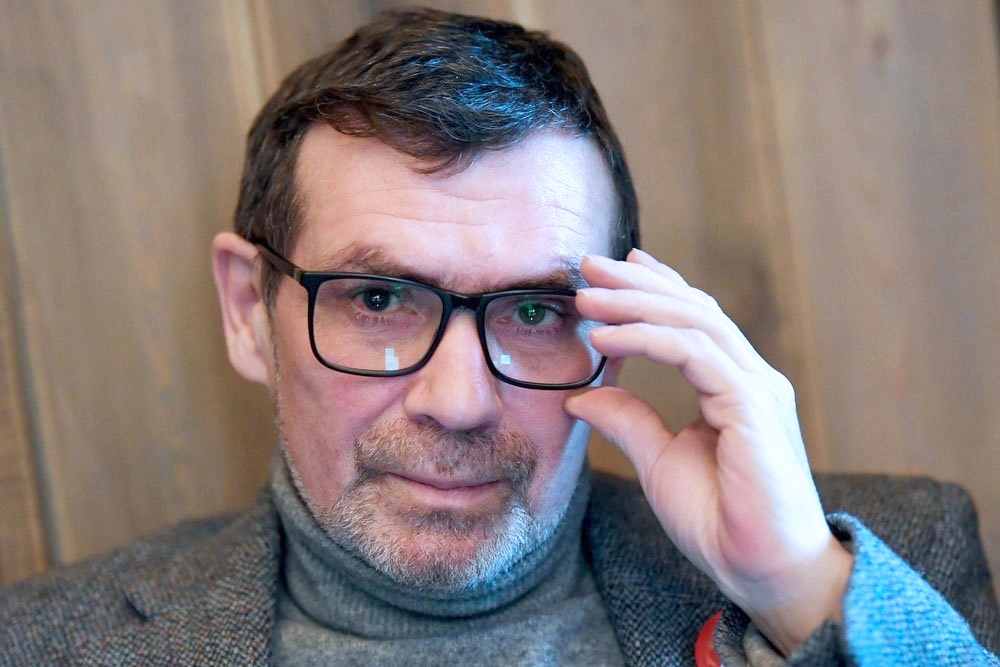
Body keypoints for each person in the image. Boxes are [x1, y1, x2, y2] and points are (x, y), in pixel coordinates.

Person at [1, 8, 997, 666]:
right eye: (378, 299)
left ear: (620, 324)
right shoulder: (43, 644)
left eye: (533, 312)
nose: (460, 401)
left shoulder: (881, 574)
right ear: (248, 313)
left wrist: (796, 589)